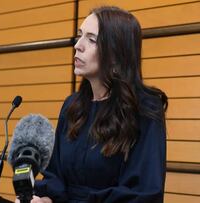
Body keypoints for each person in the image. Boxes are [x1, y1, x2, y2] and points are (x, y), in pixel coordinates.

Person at [17, 6, 168, 203]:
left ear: (116, 52)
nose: (77, 45)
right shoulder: (73, 105)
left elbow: (144, 193)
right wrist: (44, 199)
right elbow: (55, 176)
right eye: (80, 36)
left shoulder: (145, 110)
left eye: (91, 39)